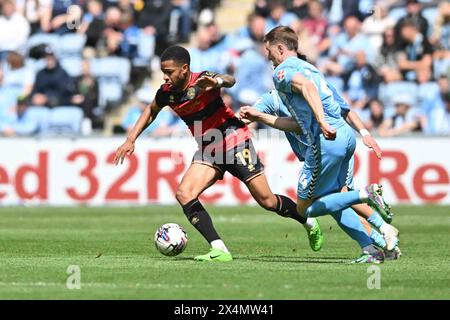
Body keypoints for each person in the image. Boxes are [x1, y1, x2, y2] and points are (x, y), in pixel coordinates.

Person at [114, 45, 324, 262]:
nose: (165, 77)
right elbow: (150, 110)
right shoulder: (166, 94)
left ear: (184, 69)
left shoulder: (203, 80)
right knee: (185, 194)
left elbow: (230, 80)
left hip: (235, 141)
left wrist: (218, 82)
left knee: (268, 201)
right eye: (163, 72)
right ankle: (219, 248)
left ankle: (307, 220)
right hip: (208, 148)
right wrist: (130, 139)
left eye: (169, 72)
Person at [262, 26, 393, 263]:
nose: (267, 54)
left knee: (306, 210)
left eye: (269, 49)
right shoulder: (314, 70)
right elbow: (344, 107)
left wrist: (321, 121)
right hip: (346, 137)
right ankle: (374, 245)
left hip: (325, 141)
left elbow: (306, 88)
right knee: (334, 198)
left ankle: (365, 195)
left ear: (280, 48)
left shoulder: (282, 72)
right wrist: (364, 132)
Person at [239, 90, 401, 259]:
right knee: (338, 200)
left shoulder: (292, 87)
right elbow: (346, 109)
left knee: (317, 205)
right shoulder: (315, 84)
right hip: (342, 139)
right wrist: (365, 133)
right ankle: (378, 245)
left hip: (325, 146)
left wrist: (257, 117)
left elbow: (298, 125)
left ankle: (377, 223)